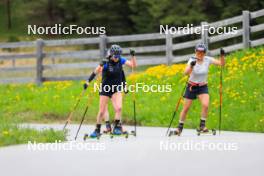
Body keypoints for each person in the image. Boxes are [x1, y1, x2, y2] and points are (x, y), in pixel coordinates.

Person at [83, 44, 136, 138]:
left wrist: (133, 56)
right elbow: (95, 72)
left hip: (116, 88)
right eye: (115, 56)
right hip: (105, 88)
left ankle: (116, 127)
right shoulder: (106, 62)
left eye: (118, 56)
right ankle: (97, 130)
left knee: (119, 108)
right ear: (111, 55)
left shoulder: (121, 60)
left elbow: (133, 65)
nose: (117, 58)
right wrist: (88, 81)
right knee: (102, 111)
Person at [173, 43, 225, 135]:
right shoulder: (192, 60)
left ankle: (202, 126)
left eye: (202, 52)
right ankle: (179, 128)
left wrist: (222, 56)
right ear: (195, 52)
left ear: (205, 53)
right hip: (191, 86)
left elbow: (222, 64)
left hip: (202, 86)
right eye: (198, 52)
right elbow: (185, 73)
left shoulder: (208, 59)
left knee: (205, 105)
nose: (200, 54)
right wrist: (191, 66)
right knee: (186, 108)